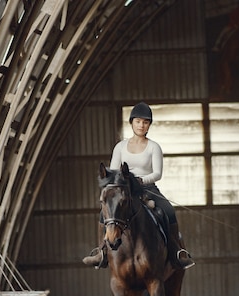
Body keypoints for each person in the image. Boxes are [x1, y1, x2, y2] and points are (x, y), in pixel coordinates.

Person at [82, 102, 195, 270]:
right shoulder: (120, 147)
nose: (141, 125)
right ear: (132, 123)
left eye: (145, 122)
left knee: (168, 211)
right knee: (103, 214)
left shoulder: (154, 147)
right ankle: (102, 252)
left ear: (149, 125)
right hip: (124, 190)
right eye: (138, 121)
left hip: (147, 189)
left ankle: (176, 253)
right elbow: (113, 172)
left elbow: (157, 173)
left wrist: (141, 180)